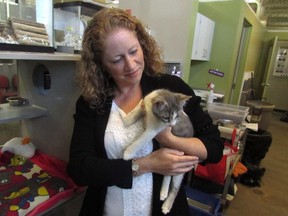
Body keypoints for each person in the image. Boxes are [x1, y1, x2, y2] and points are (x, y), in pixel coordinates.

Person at [67, 8, 224, 216]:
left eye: (133, 51)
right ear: (101, 65)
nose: (130, 65)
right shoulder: (92, 103)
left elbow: (214, 148)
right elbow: (80, 169)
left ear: (142, 45)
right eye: (117, 60)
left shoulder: (171, 88)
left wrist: (168, 139)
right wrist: (146, 164)